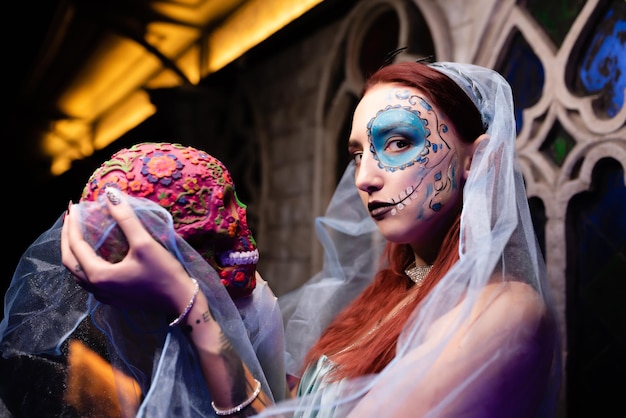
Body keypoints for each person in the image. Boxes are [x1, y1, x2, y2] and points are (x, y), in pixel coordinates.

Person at [5, 60, 562, 417]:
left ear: (479, 157)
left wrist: (190, 304)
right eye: (357, 153)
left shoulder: (505, 312)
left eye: (396, 142)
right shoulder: (382, 300)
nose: (365, 176)